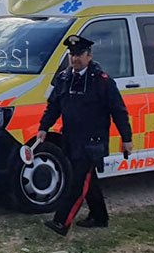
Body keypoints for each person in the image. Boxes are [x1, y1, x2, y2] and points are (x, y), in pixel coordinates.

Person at [37, 35, 133, 236]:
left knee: (78, 183)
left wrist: (126, 139)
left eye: (79, 54)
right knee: (90, 181)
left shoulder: (102, 81)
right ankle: (100, 217)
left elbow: (119, 111)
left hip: (92, 142)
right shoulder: (64, 78)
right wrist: (43, 128)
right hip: (71, 140)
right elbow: (53, 106)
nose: (75, 59)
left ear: (89, 56)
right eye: (72, 55)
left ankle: (61, 222)